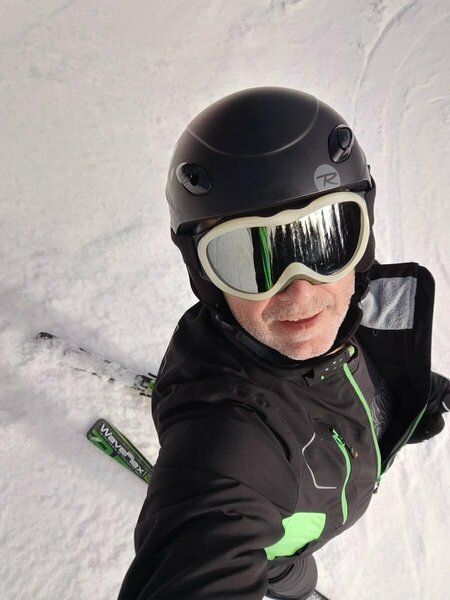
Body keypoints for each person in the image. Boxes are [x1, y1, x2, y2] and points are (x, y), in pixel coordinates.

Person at [118, 87, 448, 600]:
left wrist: (414, 396)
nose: (300, 291)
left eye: (326, 240)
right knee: (293, 575)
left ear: (361, 243)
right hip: (279, 544)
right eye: (248, 257)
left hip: (316, 507)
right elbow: (207, 526)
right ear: (205, 276)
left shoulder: (358, 311)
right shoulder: (226, 441)